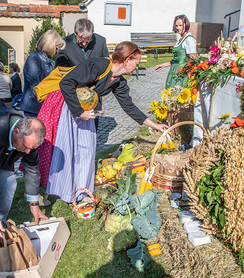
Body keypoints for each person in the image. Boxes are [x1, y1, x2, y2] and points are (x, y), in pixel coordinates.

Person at [38, 41, 168, 203]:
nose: (137, 67)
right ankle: (64, 189)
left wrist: (155, 125)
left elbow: (129, 107)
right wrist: (79, 112)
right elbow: (66, 83)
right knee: (69, 149)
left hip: (87, 112)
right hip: (70, 106)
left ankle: (82, 192)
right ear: (127, 60)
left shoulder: (119, 81)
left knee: (87, 151)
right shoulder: (97, 65)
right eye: (136, 63)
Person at [0, 104, 48, 232]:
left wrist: (34, 206)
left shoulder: (29, 139)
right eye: (25, 146)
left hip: (3, 160)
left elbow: (32, 168)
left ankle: (1, 224)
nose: (27, 152)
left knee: (9, 184)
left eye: (31, 148)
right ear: (16, 132)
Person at [55, 18, 109, 131]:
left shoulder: (101, 41)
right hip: (74, 96)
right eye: (81, 39)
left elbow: (106, 66)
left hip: (94, 95)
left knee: (93, 127)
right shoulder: (65, 44)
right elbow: (60, 71)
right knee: (74, 129)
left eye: (87, 40)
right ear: (75, 32)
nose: (84, 43)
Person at [20, 30, 65, 117]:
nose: (57, 51)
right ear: (49, 45)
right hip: (33, 108)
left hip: (44, 106)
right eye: (56, 48)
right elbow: (35, 88)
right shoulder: (33, 60)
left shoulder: (50, 61)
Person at [154, 14, 197, 88]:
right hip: (175, 72)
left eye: (180, 25)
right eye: (176, 25)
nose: (178, 28)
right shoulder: (180, 40)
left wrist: (190, 78)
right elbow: (177, 60)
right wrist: (163, 65)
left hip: (183, 74)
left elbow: (194, 61)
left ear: (185, 25)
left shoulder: (189, 40)